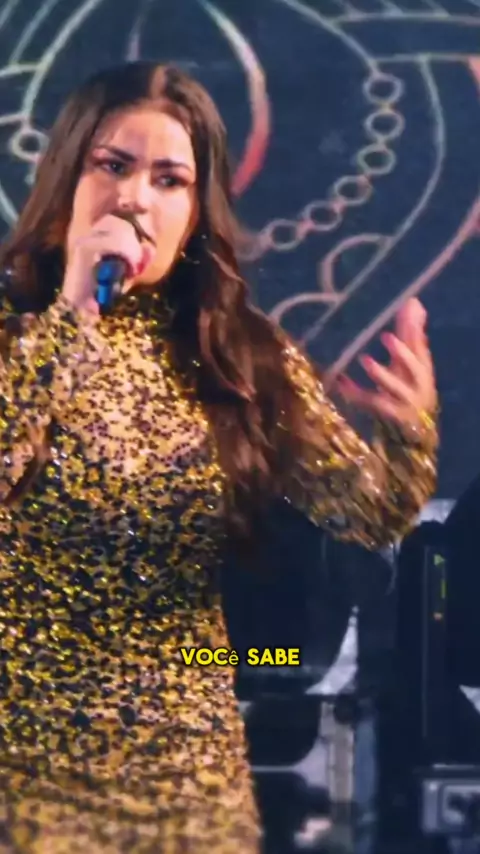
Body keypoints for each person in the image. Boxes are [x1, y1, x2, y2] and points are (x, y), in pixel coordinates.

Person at [0, 61, 437, 854]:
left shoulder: (237, 355)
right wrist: (71, 316)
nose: (135, 199)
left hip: (190, 785)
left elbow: (371, 515)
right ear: (66, 178)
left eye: (170, 180)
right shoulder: (14, 334)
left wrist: (410, 430)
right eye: (112, 166)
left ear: (198, 212)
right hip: (23, 775)